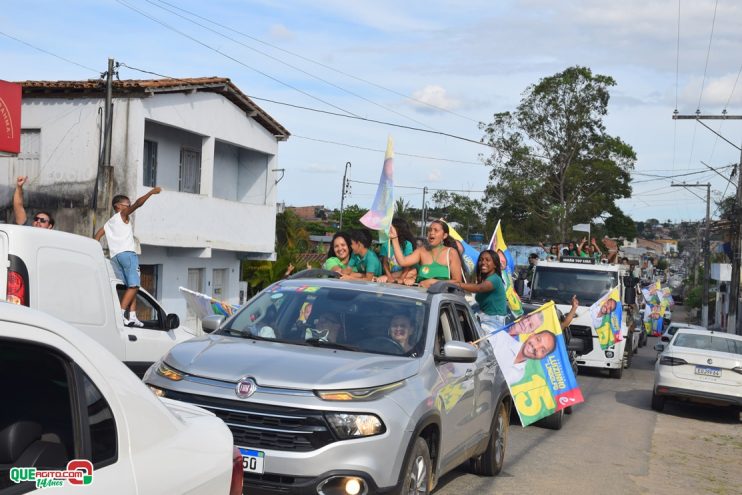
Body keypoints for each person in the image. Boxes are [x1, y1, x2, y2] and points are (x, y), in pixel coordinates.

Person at [94, 187, 161, 327]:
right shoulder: (122, 214)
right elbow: (138, 204)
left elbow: (97, 236)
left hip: (116, 257)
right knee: (134, 285)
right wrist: (150, 193)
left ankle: (132, 316)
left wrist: (95, 252)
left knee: (132, 286)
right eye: (127, 204)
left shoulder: (109, 222)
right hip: (128, 254)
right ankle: (120, 313)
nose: (129, 207)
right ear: (118, 206)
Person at [389, 220, 463, 288]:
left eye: (436, 230)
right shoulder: (421, 251)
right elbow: (402, 262)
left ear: (444, 236)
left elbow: (457, 282)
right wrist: (394, 238)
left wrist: (433, 282)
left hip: (442, 298)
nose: (431, 233)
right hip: (421, 297)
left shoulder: (451, 252)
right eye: (429, 230)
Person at [457, 250, 507, 329]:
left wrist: (458, 284)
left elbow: (479, 288)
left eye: (487, 260)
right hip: (484, 316)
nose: (483, 262)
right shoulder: (486, 279)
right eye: (481, 260)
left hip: (493, 321)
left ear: (495, 265)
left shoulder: (495, 279)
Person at [490, 328, 557, 383]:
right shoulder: (501, 337)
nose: (536, 347)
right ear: (532, 335)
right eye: (538, 339)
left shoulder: (519, 374)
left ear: (542, 357)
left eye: (542, 350)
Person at [377, 218, 417, 285]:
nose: (389, 230)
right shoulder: (386, 244)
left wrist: (401, 278)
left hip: (403, 273)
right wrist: (389, 277)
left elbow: (407, 265)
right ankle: (388, 277)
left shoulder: (407, 244)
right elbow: (385, 263)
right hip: (391, 274)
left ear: (399, 230)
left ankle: (388, 277)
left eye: (392, 228)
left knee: (413, 271)